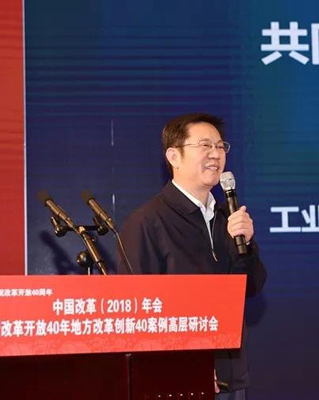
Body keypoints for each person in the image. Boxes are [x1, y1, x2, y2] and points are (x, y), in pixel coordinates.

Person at [118, 113, 267, 400]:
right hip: (176, 380)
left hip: (231, 375)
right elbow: (138, 311)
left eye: (220, 146)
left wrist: (246, 245)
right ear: (174, 156)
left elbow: (251, 287)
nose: (216, 154)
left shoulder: (228, 216)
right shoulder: (147, 221)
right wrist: (185, 367)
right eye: (205, 146)